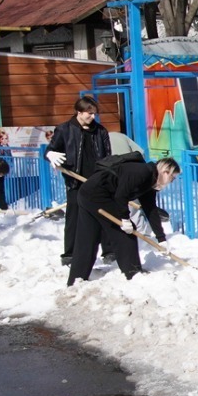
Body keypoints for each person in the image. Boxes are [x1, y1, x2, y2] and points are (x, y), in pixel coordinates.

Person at [66, 154, 178, 285]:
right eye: (172, 177)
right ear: (165, 171)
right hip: (97, 195)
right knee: (126, 232)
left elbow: (150, 210)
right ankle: (133, 273)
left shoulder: (150, 182)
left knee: (88, 236)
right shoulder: (142, 172)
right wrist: (124, 219)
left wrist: (161, 239)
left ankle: (76, 278)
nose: (171, 181)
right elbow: (121, 195)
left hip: (88, 193)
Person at [45, 96, 112, 266]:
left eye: (94, 114)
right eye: (89, 114)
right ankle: (70, 254)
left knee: (104, 215)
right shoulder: (64, 129)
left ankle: (109, 251)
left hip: (97, 180)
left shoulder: (100, 131)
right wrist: (49, 154)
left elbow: (108, 156)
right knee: (74, 217)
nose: (92, 117)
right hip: (75, 181)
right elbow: (51, 150)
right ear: (79, 112)